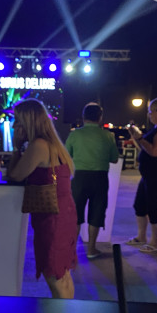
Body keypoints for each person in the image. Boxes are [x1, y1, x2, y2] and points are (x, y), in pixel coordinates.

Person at [7, 98, 77, 299]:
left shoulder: (38, 145)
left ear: (28, 122)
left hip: (52, 218)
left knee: (54, 274)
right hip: (64, 213)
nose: (14, 125)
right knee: (63, 274)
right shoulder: (53, 143)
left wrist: (16, 148)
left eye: (17, 120)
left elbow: (15, 175)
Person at [65, 103, 119, 259]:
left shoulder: (75, 135)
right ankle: (91, 249)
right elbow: (114, 158)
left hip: (79, 178)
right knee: (97, 212)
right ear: (100, 118)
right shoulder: (108, 136)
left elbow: (67, 156)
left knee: (76, 213)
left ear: (83, 117)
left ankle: (71, 251)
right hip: (100, 178)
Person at [126, 97, 157, 253]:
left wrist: (140, 138)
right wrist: (136, 137)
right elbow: (144, 149)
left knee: (154, 208)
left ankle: (155, 242)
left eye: (151, 111)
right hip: (148, 175)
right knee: (140, 206)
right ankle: (141, 236)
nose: (149, 115)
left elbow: (155, 151)